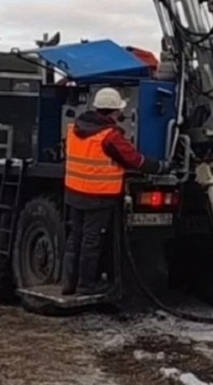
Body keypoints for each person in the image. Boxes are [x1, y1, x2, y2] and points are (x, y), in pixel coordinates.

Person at [62, 86, 167, 295]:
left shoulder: (74, 129)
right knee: (91, 241)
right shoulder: (110, 136)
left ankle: (68, 285)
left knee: (75, 238)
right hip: (98, 196)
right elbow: (134, 159)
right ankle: (86, 286)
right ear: (113, 112)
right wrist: (159, 166)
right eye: (119, 110)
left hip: (75, 193)